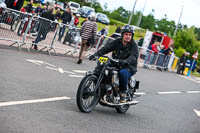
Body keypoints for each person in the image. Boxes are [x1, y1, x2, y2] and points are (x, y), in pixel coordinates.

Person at [89, 25, 139, 103]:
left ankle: (123, 93)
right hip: (117, 62)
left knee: (122, 73)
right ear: (122, 34)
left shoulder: (134, 45)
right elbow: (106, 48)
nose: (128, 36)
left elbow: (133, 57)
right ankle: (100, 87)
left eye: (130, 35)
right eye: (126, 34)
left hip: (129, 66)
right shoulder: (117, 41)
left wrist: (126, 61)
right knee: (102, 67)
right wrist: (96, 54)